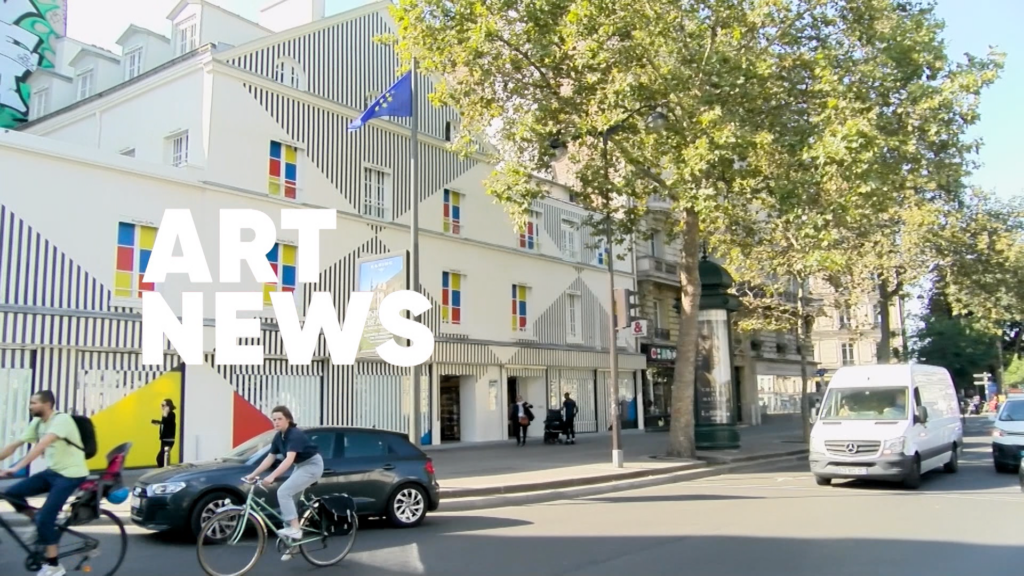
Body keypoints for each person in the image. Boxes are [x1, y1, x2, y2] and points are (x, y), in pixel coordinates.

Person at [0, 390, 90, 576]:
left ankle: (54, 566)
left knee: (46, 520)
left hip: (71, 475)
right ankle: (39, 524)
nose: (30, 406)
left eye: (34, 403)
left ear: (47, 404)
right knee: (11, 494)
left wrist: (16, 468)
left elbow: (41, 445)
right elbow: (14, 445)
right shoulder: (38, 422)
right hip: (53, 472)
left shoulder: (61, 420)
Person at [242, 406, 323, 544]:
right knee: (289, 501)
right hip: (301, 466)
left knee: (283, 492)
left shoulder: (294, 435)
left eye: (280, 419)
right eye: (274, 419)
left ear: (288, 420)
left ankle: (296, 529)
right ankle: (293, 544)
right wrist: (252, 474)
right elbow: (270, 457)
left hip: (312, 466)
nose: (276, 422)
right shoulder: (279, 436)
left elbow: (289, 459)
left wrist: (271, 476)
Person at [151, 399, 177, 468]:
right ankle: (163, 471)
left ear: (168, 406)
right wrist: (158, 422)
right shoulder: (166, 415)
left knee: (159, 459)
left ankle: (162, 472)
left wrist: (165, 413)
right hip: (164, 439)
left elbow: (167, 422)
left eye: (163, 405)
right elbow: (165, 423)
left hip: (168, 440)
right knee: (162, 459)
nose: (161, 407)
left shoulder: (172, 414)